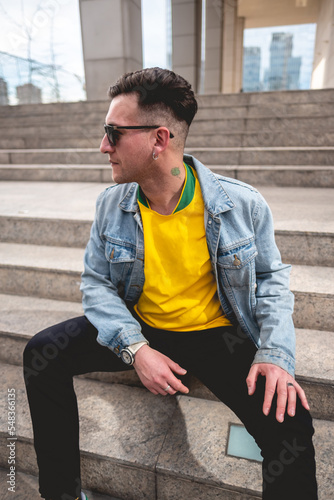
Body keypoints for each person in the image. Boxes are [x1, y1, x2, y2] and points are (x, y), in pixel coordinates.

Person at [23, 67, 318, 500]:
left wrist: (275, 353)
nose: (103, 146)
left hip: (216, 335)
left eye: (113, 132)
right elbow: (96, 284)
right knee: (40, 355)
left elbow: (273, 281)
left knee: (290, 421)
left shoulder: (241, 203)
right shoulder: (112, 204)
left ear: (159, 139)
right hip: (142, 327)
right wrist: (136, 349)